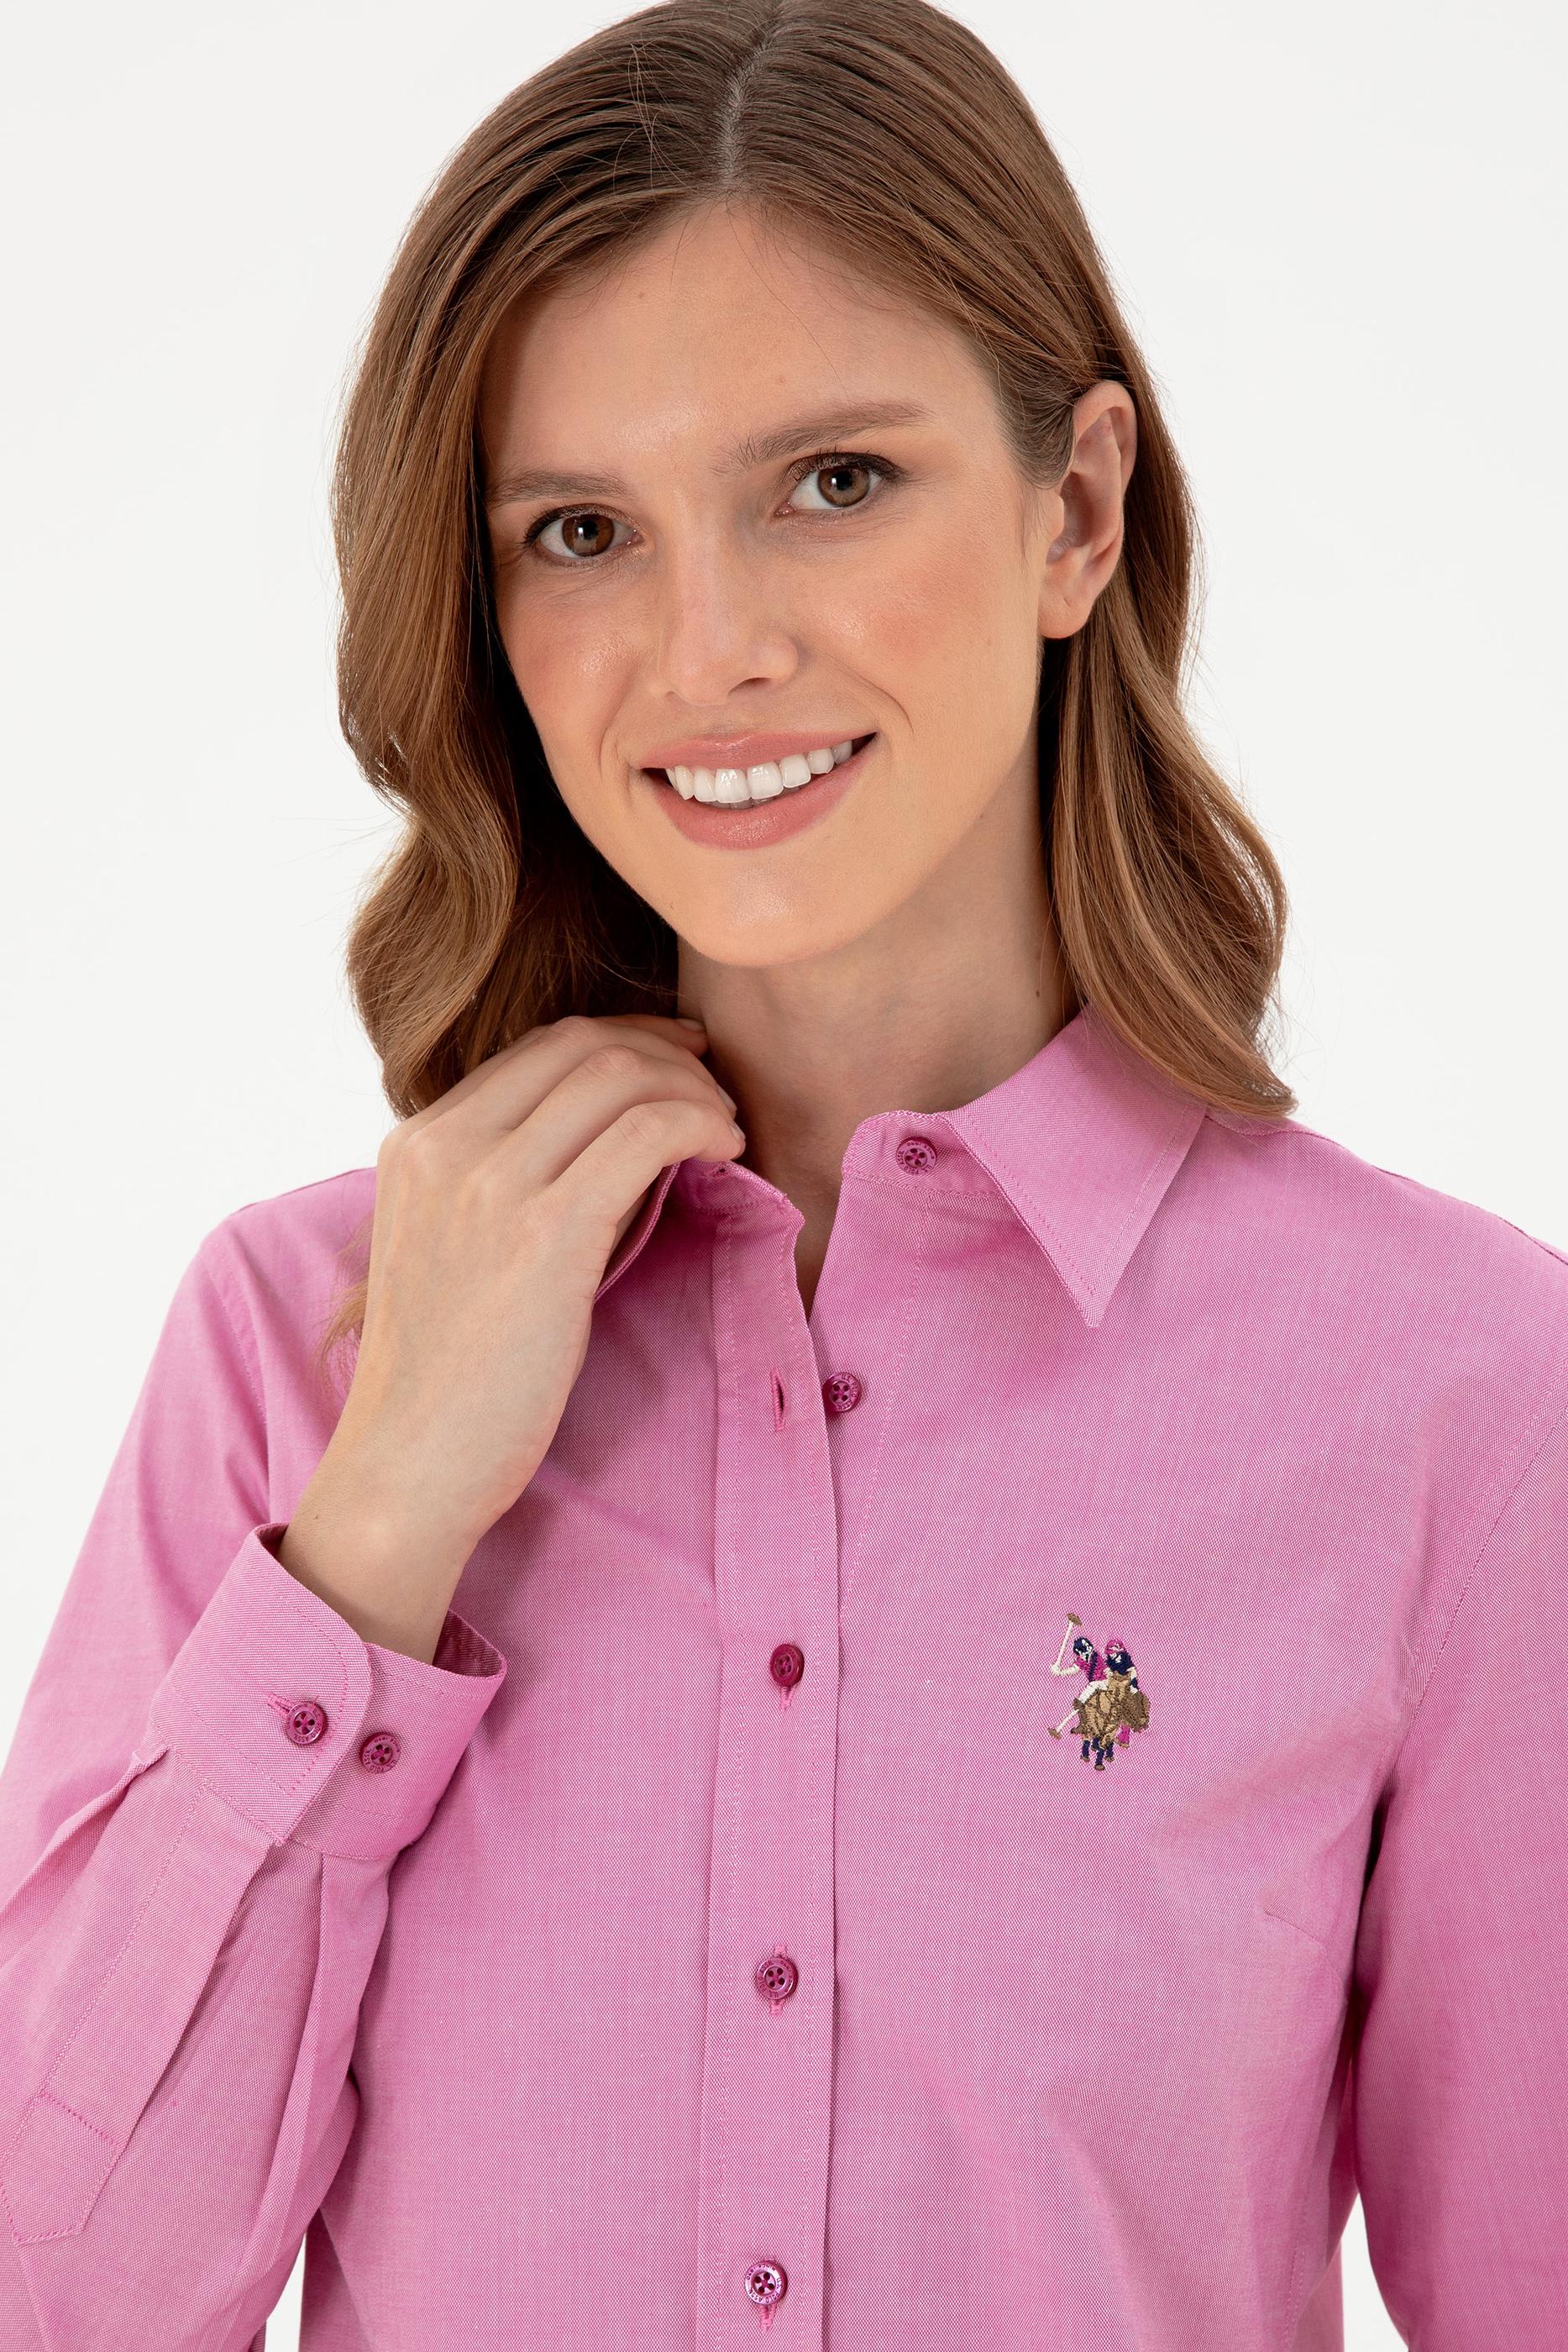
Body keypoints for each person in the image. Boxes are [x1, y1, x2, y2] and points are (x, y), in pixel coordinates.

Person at [2, 1, 1564, 2344]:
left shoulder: (1457, 1399)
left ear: (1076, 510)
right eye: (580, 532)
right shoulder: (297, 1350)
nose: (709, 647)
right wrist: (381, 1529)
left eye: (831, 481)